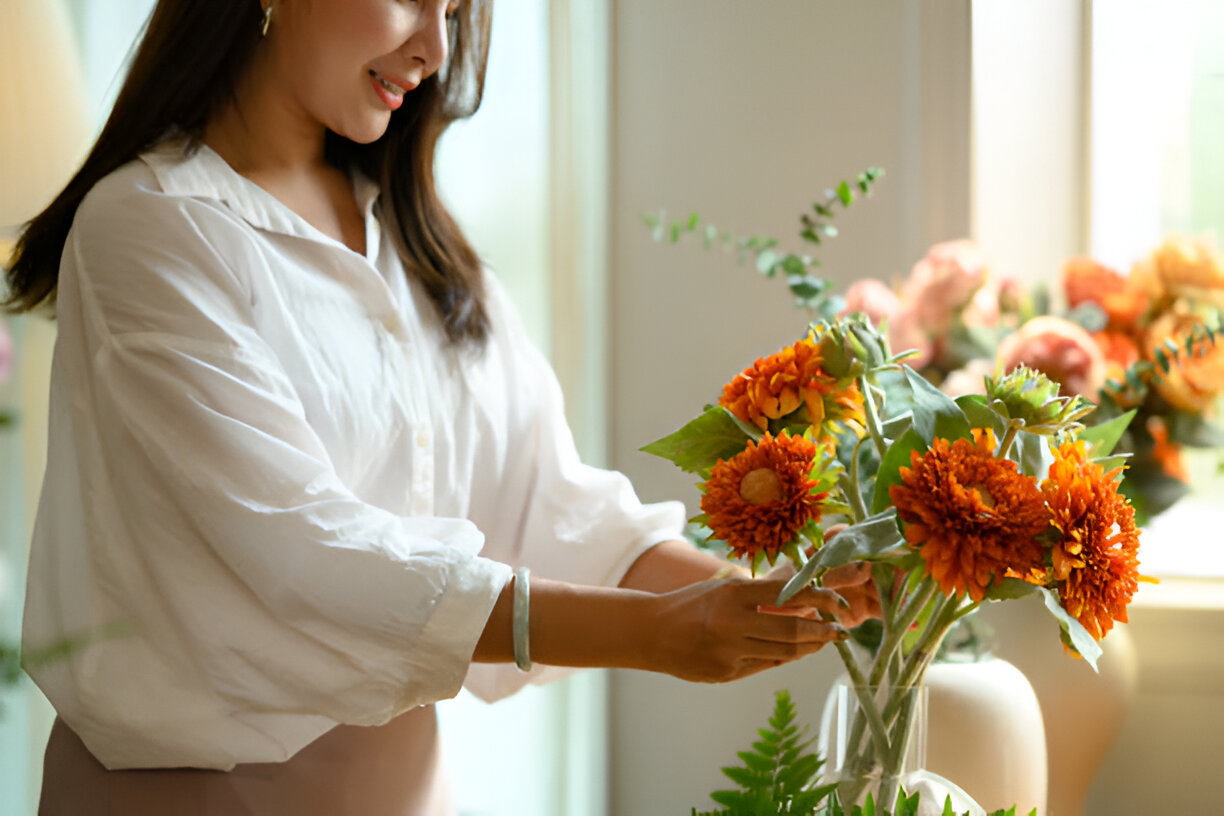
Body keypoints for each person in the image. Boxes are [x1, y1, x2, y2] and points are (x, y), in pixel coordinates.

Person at [7, 1, 878, 813]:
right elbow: (303, 555)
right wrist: (655, 635)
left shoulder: (424, 246)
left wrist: (770, 598)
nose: (435, 49)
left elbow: (547, 502)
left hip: (401, 788)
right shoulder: (152, 226)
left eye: (457, 11)